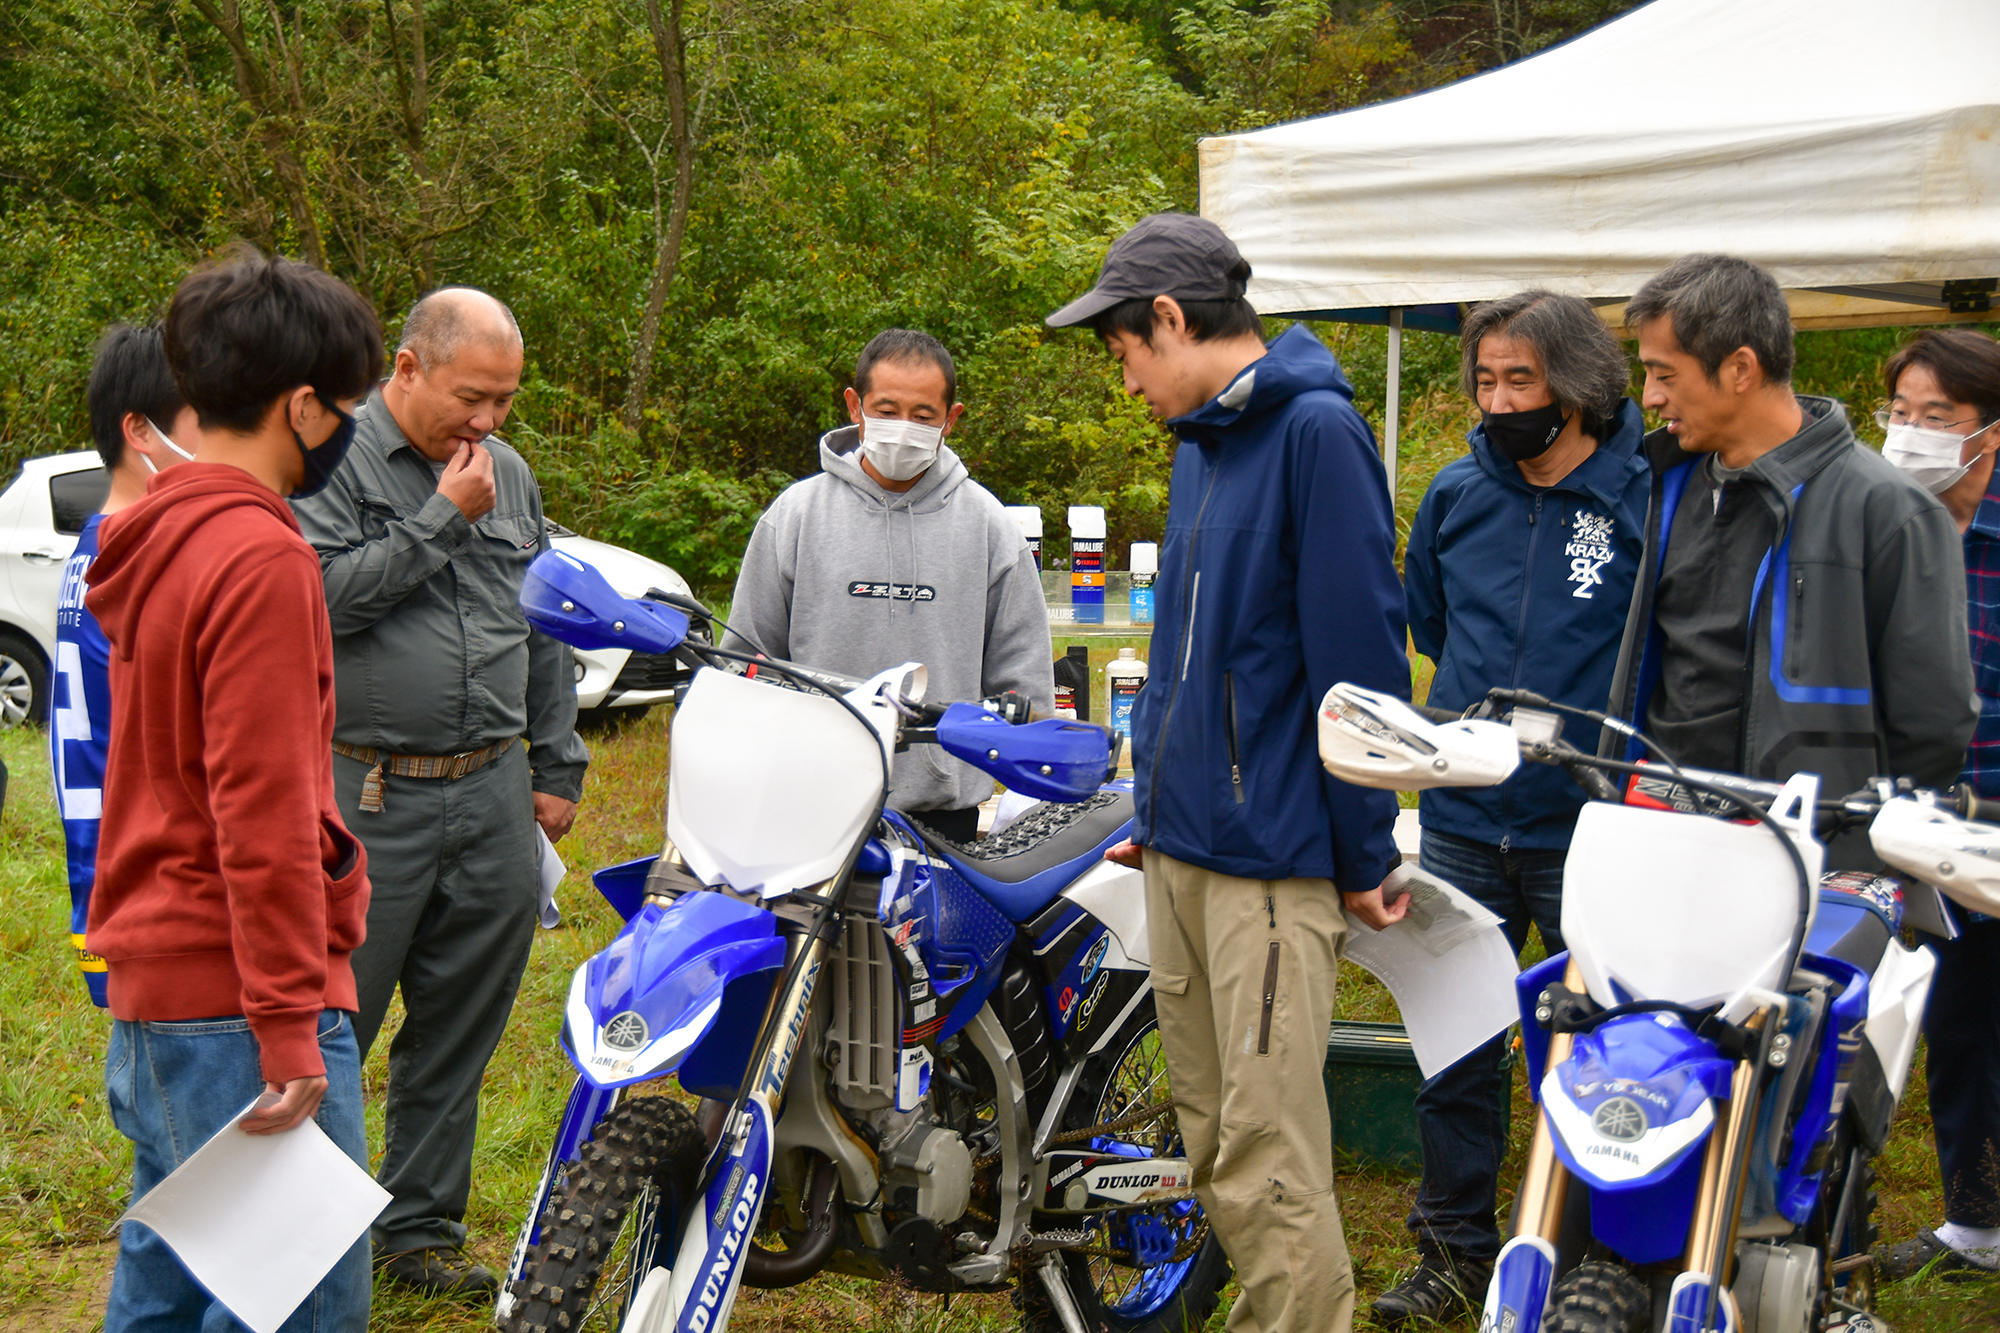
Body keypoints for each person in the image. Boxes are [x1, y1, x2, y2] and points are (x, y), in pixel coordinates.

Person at [1046, 213, 1409, 1333]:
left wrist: (1362, 849)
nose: (1124, 382)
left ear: (1169, 318)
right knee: (1208, 1135)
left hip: (1268, 858)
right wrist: (1151, 804)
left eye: (1124, 354)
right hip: (1184, 848)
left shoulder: (1315, 434)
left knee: (1265, 1150)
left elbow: (1357, 664)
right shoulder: (1202, 442)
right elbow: (1188, 657)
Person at [84, 248, 382, 1331]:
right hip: (233, 999)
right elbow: (259, 808)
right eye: (345, 406)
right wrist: (290, 1024)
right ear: (301, 407)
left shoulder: (155, 534)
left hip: (163, 983)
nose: (348, 429)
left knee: (167, 1290)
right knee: (301, 1302)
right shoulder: (258, 554)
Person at [291, 286, 589, 1297]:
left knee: (459, 1025)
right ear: (406, 368)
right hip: (368, 793)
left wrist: (556, 764)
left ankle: (415, 1235)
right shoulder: (327, 463)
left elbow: (542, 620)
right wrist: (436, 521)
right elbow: (315, 605)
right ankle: (300, 1246)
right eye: (474, 396)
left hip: (493, 789)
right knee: (335, 1025)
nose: (491, 423)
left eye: (505, 400)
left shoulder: (508, 472)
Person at [1382, 291, 1649, 1324]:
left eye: (1520, 380)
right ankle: (1451, 1248)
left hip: (1586, 823)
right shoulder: (1456, 494)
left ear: (1574, 385)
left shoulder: (1641, 497)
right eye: (1485, 380)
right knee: (1457, 1043)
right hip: (1459, 814)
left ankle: (1586, 1254)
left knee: (1593, 1044)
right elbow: (1431, 621)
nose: (1498, 400)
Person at [1605, 254, 1975, 864]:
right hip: (1660, 834)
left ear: (1741, 368)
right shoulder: (1664, 483)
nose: (1649, 397)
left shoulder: (1887, 509)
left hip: (1808, 860)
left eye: (1663, 374)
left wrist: (1855, 842)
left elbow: (1933, 724)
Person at [724, 328, 1052, 843]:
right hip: (808, 802)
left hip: (943, 814)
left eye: (923, 416)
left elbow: (1025, 682)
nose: (904, 428)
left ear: (951, 418)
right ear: (855, 406)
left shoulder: (990, 528)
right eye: (887, 409)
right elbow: (744, 662)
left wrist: (1028, 784)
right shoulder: (795, 516)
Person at [1872, 329, 2000, 1281]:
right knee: (1954, 1018)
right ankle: (1976, 1222)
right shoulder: (1881, 526)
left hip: (1992, 811)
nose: (1912, 435)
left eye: (1939, 419)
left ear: (1990, 434)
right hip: (1902, 812)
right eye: (1900, 415)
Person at [52, 323, 200, 1008]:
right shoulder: (141, 563)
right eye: (209, 419)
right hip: (160, 913)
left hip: (112, 890)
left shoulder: (96, 546)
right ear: (141, 431)